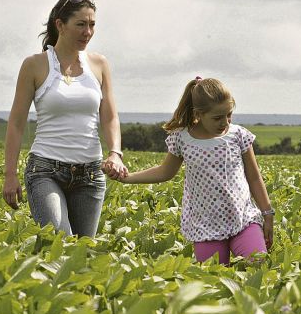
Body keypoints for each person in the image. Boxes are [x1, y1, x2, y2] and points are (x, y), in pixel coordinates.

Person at [2, 0, 127, 237]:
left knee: (83, 251)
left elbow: (110, 116)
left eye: (92, 25)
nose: (87, 32)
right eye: (80, 24)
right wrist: (10, 174)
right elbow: (16, 124)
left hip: (90, 174)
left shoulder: (99, 64)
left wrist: (115, 152)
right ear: (60, 25)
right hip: (45, 170)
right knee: (60, 243)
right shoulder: (34, 65)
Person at [116, 77, 273, 265]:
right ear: (199, 114)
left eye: (229, 114)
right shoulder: (182, 138)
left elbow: (254, 177)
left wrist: (267, 213)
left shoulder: (238, 135)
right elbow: (165, 172)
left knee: (257, 263)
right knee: (212, 276)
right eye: (217, 118)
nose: (225, 122)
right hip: (206, 227)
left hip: (243, 220)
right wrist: (128, 178)